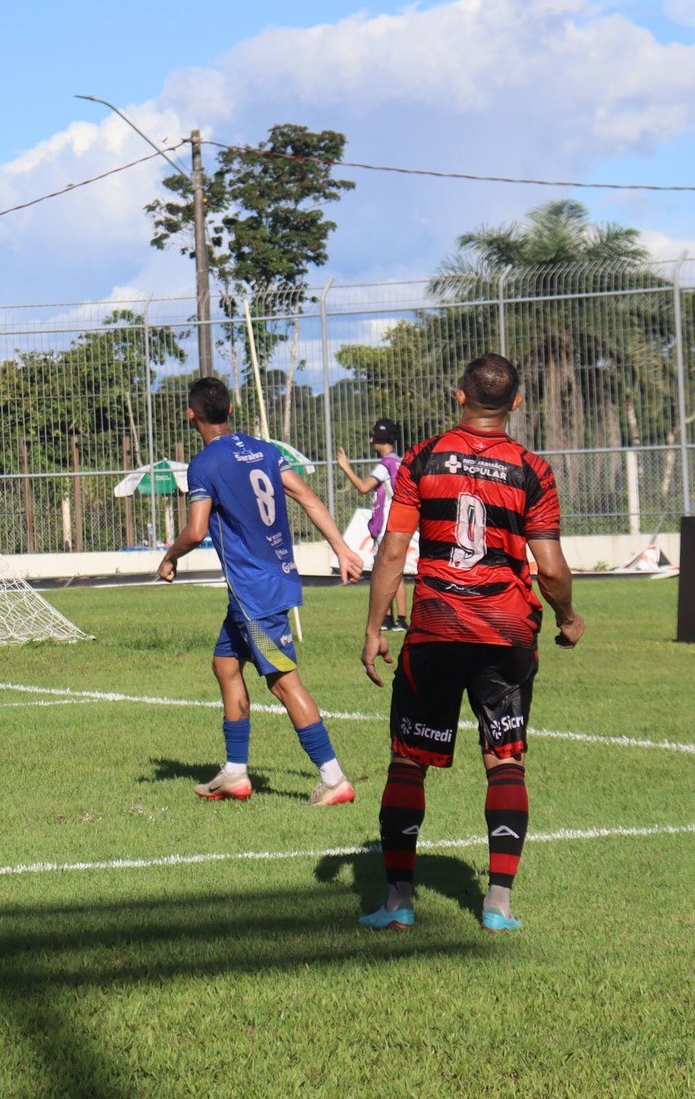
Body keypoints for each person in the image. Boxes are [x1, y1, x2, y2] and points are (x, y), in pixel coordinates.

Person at [358, 353, 584, 935]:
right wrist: (567, 616)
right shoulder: (533, 469)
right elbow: (552, 567)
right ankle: (499, 904)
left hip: (434, 628)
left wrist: (375, 627)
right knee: (505, 758)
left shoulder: (423, 457)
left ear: (459, 396)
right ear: (517, 402)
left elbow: (391, 551)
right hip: (506, 632)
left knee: (408, 760)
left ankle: (398, 901)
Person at [157, 376, 364, 806]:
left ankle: (334, 778)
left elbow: (196, 531)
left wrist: (170, 556)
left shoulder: (204, 464)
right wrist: (341, 548)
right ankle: (234, 773)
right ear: (230, 410)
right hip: (270, 581)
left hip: (255, 592)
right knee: (225, 665)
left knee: (285, 683)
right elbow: (306, 497)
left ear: (191, 414)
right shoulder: (267, 450)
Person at [337, 418, 413, 632]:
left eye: (373, 436)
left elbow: (363, 487)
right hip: (399, 522)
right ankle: (397, 619)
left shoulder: (386, 464)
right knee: (395, 571)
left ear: (379, 439)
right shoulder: (399, 461)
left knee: (385, 572)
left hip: (388, 524)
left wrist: (346, 468)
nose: (370, 440)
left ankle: (392, 619)